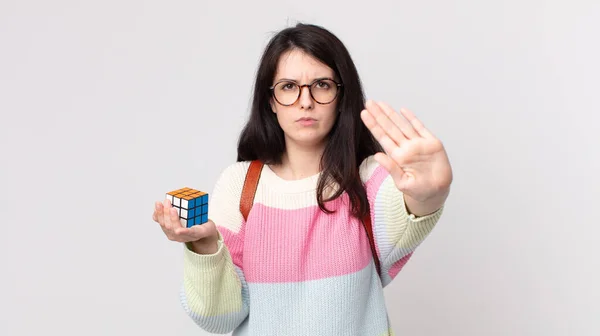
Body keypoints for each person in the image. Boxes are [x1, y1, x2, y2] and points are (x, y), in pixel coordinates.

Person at [152, 22, 453, 336]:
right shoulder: (239, 185)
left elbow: (411, 208)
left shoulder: (370, 179)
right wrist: (205, 246)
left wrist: (430, 194)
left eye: (322, 84)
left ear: (340, 95)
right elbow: (219, 319)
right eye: (288, 87)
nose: (305, 101)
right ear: (270, 100)